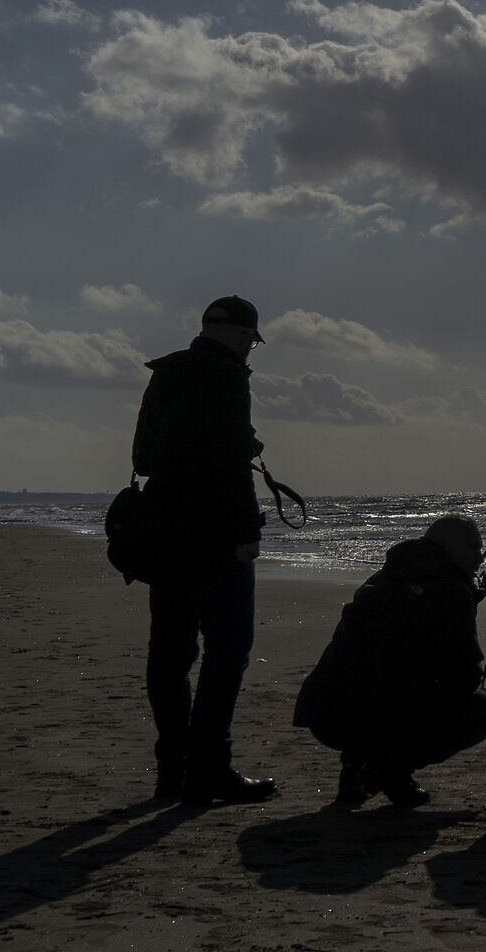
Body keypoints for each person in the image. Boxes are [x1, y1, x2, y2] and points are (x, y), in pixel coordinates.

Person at [132, 294, 277, 806]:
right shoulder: (229, 374)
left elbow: (143, 455)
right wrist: (245, 535)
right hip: (215, 535)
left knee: (169, 654)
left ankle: (172, 768)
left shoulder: (168, 371)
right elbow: (230, 461)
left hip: (163, 532)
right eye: (250, 342)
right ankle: (209, 766)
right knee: (227, 650)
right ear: (242, 336)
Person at [293, 514, 486, 808]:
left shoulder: (387, 576)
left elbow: (417, 612)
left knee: (387, 685)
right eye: (473, 548)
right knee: (485, 710)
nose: (479, 557)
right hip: (372, 713)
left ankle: (358, 768)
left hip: (324, 710)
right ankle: (390, 769)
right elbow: (464, 675)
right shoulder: (451, 592)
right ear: (450, 547)